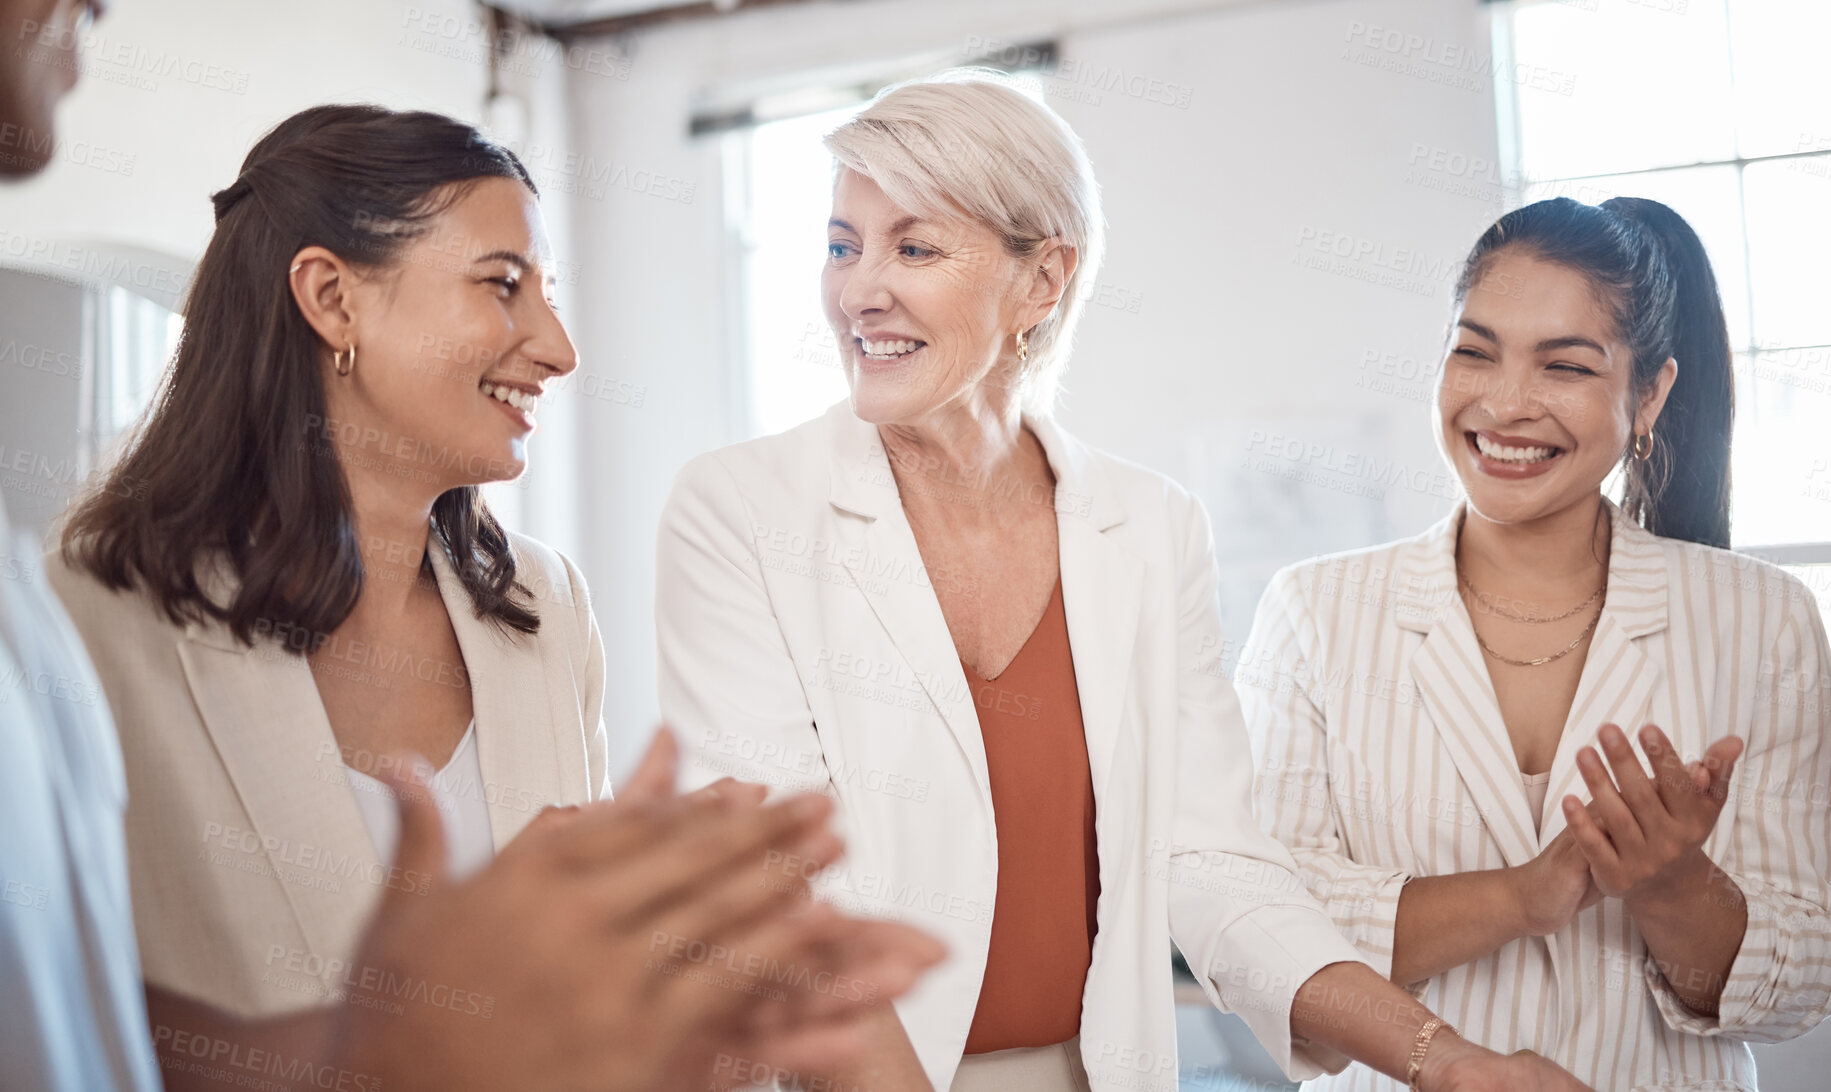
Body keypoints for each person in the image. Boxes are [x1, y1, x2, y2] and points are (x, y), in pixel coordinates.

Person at [0, 2, 941, 1086]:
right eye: (503, 284)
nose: (558, 347)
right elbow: (90, 1029)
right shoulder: (92, 621)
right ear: (331, 298)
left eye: (546, 291)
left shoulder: (542, 612)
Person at [657, 71, 1592, 1092]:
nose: (857, 290)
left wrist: (1445, 1061)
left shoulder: (1147, 528)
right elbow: (780, 889)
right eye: (842, 245)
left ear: (1042, 280)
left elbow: (1217, 866)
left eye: (913, 247)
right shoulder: (741, 510)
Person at [1241, 196, 1831, 1089]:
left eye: (1564, 366)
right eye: (1473, 352)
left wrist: (1670, 881)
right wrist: (1522, 896)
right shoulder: (1316, 611)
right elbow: (1260, 925)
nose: (1505, 404)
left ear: (1651, 394)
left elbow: (1799, 988)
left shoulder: (1762, 618)